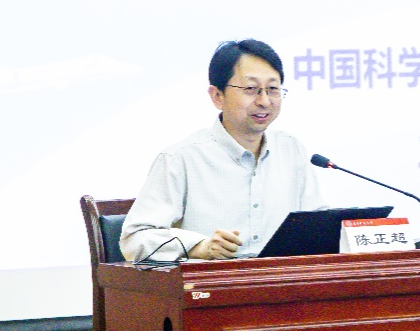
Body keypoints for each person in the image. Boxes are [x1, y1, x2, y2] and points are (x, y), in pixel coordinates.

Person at [120, 39, 322, 262]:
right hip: (212, 281)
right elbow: (135, 239)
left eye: (272, 89)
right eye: (251, 89)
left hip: (281, 280)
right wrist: (198, 247)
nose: (264, 101)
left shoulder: (292, 151)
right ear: (217, 96)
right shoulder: (181, 159)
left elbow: (319, 226)